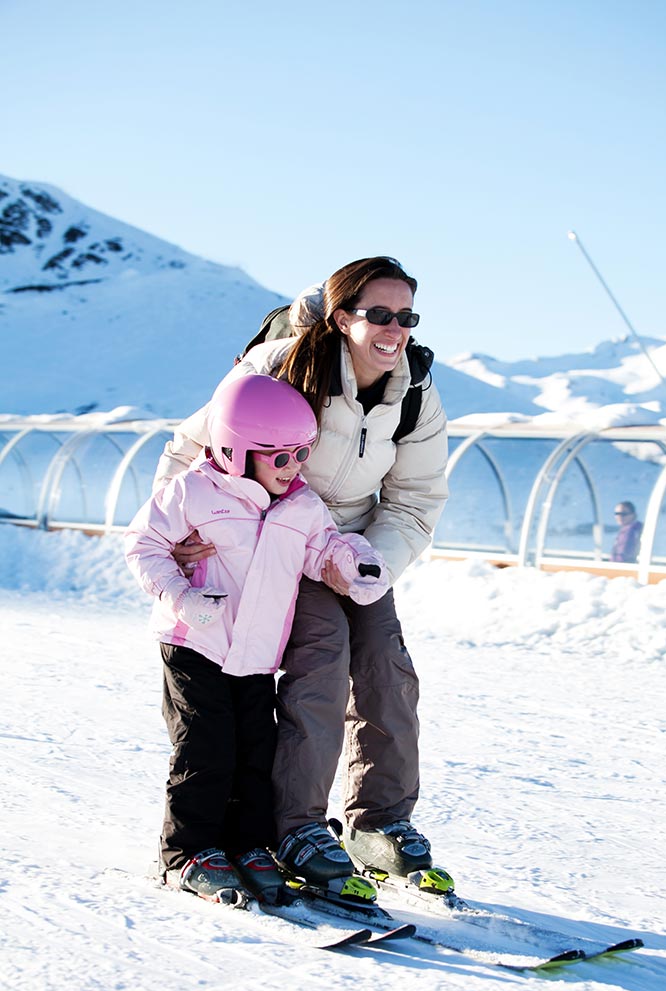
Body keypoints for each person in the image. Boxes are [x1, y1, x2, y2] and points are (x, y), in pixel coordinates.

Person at [154, 256, 449, 888]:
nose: (395, 330)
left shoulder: (415, 393)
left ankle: (381, 822)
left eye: (407, 317)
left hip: (355, 545)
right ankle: (295, 826)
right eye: (379, 315)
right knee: (323, 659)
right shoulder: (286, 365)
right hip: (276, 540)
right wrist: (182, 530)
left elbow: (416, 499)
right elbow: (196, 444)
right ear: (343, 318)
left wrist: (370, 565)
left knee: (388, 668)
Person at [125, 374, 388, 905]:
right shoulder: (193, 493)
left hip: (256, 658)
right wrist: (182, 597)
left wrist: (351, 564)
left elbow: (322, 551)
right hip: (195, 644)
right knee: (205, 749)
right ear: (235, 452)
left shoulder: (302, 506)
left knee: (256, 753)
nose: (295, 468)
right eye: (281, 457)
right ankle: (188, 852)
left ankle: (249, 846)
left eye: (302, 454)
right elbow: (143, 545)